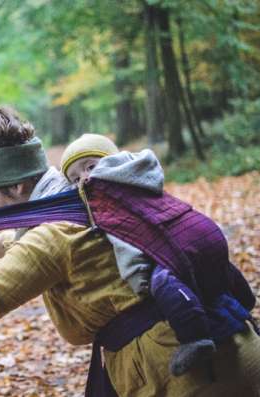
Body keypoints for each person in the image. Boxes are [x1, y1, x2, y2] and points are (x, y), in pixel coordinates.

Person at [0, 106, 260, 396]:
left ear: (17, 188)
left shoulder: (54, 232)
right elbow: (44, 258)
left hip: (185, 377)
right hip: (235, 349)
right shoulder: (86, 194)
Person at [60, 133, 217, 376]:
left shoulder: (112, 192)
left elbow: (128, 246)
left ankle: (195, 338)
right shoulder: (139, 175)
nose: (85, 178)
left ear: (114, 161)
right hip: (198, 230)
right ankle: (244, 313)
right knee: (222, 277)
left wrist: (139, 279)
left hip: (170, 244)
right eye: (75, 178)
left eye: (91, 166)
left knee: (163, 283)